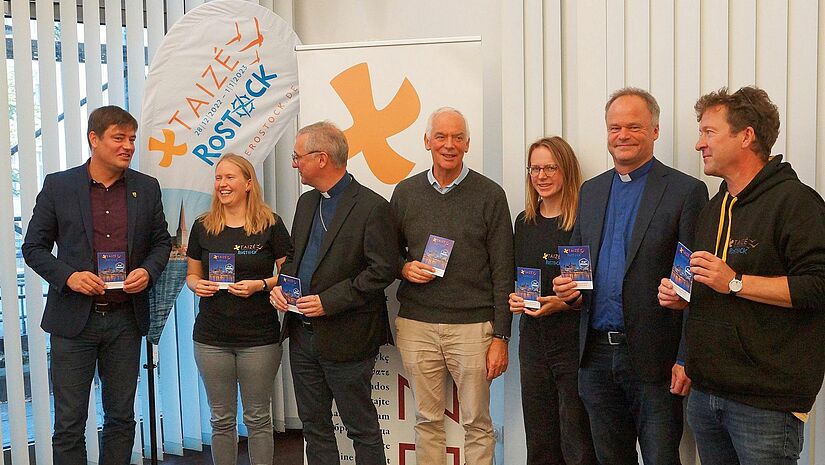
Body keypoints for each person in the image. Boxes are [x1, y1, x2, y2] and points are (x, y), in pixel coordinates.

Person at [657, 86, 825, 465]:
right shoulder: (715, 207)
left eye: (709, 132)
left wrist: (735, 282)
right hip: (707, 394)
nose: (699, 143)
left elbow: (817, 285)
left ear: (746, 135)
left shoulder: (796, 202)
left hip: (765, 404)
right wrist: (686, 296)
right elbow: (711, 286)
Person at [553, 88, 708, 465]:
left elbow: (695, 282)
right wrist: (568, 289)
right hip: (595, 358)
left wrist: (686, 357)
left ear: (655, 131)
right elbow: (577, 267)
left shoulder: (685, 191)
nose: (622, 135)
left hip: (654, 359)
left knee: (660, 458)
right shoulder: (590, 191)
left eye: (634, 126)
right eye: (614, 127)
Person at [22, 105, 171, 465]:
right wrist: (68, 277)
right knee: (70, 423)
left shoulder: (146, 188)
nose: (128, 146)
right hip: (74, 321)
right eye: (118, 138)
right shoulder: (59, 186)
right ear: (94, 139)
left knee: (121, 417)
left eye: (132, 139)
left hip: (125, 320)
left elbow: (162, 243)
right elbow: (33, 248)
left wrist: (148, 272)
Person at [390, 107, 514, 465]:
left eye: (457, 137)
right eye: (441, 136)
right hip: (417, 325)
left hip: (473, 329)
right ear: (427, 141)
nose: (449, 144)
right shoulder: (406, 192)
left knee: (477, 422)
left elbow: (503, 270)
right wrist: (404, 267)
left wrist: (501, 337)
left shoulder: (490, 195)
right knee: (427, 420)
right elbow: (386, 254)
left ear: (468, 144)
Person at [269, 121, 397, 465]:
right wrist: (282, 287)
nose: (294, 164)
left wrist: (329, 302)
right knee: (314, 426)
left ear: (321, 159)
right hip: (301, 335)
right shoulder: (307, 202)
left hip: (348, 336)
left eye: (298, 157)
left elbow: (381, 271)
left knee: (362, 429)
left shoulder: (372, 207)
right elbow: (296, 257)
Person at [185, 154, 290, 465]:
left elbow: (288, 275)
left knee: (258, 418)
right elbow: (192, 274)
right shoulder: (202, 226)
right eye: (219, 178)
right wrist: (196, 285)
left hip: (259, 337)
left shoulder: (271, 224)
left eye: (229, 177)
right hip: (211, 337)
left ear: (248, 183)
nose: (222, 184)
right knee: (221, 419)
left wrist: (261, 284)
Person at [508, 136, 597, 465]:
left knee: (577, 438)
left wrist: (563, 303)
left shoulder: (582, 222)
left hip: (573, 342)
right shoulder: (524, 222)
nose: (541, 176)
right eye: (535, 168)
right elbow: (519, 278)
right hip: (532, 342)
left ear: (567, 171)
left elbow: (588, 291)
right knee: (540, 437)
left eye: (550, 168)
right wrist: (516, 299)